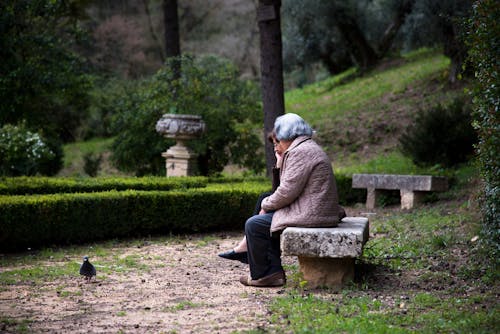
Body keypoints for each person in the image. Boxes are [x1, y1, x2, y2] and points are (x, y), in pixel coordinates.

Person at [237, 113, 341, 287]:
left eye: (278, 140)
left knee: (254, 225)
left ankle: (265, 274)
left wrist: (266, 205)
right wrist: (279, 165)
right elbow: (284, 189)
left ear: (288, 136)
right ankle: (266, 266)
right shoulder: (305, 147)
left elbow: (286, 192)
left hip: (313, 215)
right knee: (264, 202)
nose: (277, 145)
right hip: (314, 210)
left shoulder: (300, 152)